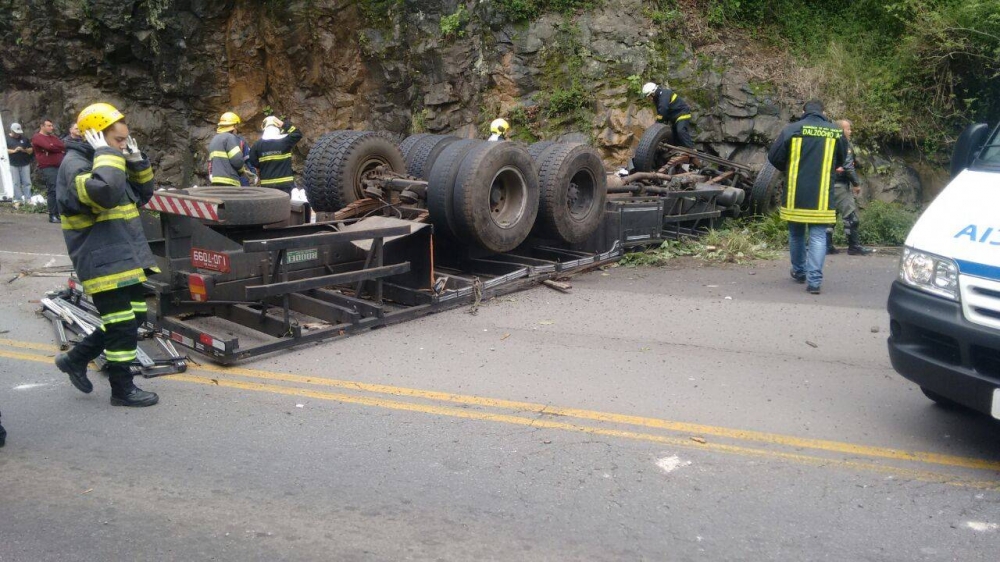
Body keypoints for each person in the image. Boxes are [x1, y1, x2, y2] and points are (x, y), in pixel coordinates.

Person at [53, 102, 160, 407]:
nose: (123, 145)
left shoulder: (107, 161)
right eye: (119, 140)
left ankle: (76, 359)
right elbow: (107, 194)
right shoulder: (77, 165)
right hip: (102, 259)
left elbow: (141, 195)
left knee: (134, 316)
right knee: (123, 323)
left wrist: (135, 160)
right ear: (96, 137)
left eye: (126, 140)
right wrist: (109, 156)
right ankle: (122, 388)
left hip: (123, 255)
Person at [767, 100, 848, 295]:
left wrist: (789, 166)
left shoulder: (791, 130)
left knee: (796, 235)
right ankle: (814, 282)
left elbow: (774, 157)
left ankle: (799, 271)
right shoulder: (835, 132)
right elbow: (842, 158)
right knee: (818, 236)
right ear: (824, 112)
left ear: (803, 111)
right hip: (822, 195)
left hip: (796, 194)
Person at [826, 119, 871, 256]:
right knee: (850, 216)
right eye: (848, 129)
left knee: (829, 215)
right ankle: (854, 246)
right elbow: (848, 166)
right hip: (840, 184)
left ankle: (826, 246)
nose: (850, 131)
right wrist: (856, 184)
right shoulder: (844, 144)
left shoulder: (828, 142)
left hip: (828, 184)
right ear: (841, 130)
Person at [248, 116, 303, 193]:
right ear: (277, 127)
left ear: (264, 127)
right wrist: (284, 124)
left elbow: (253, 161)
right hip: (285, 185)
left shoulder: (257, 145)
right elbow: (298, 134)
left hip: (267, 186)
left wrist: (263, 165)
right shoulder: (285, 141)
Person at [32, 119, 67, 222]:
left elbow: (62, 146)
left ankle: (58, 213)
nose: (51, 128)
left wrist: (53, 148)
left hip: (59, 165)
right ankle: (52, 215)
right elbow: (48, 146)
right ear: (42, 126)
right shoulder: (37, 137)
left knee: (60, 189)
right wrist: (55, 148)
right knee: (53, 189)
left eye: (52, 125)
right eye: (49, 126)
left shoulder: (53, 137)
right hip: (48, 166)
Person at [642, 81, 695, 149]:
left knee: (681, 131)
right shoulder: (657, 99)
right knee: (674, 135)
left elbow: (663, 110)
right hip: (674, 117)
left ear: (652, 93)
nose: (648, 99)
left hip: (682, 114)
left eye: (648, 96)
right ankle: (678, 150)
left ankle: (692, 150)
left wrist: (657, 125)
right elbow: (662, 113)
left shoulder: (664, 94)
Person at [207, 111, 250, 186]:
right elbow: (237, 161)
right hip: (230, 181)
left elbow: (210, 162)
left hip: (215, 180)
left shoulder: (214, 139)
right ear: (234, 126)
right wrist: (242, 171)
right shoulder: (230, 138)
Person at [6, 122, 33, 204]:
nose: (17, 134)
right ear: (12, 131)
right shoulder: (6, 139)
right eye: (16, 133)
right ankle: (18, 199)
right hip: (13, 164)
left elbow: (31, 150)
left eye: (18, 133)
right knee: (15, 182)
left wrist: (23, 150)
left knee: (27, 182)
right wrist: (14, 151)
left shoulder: (24, 139)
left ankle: (28, 199)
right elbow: (3, 150)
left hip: (25, 163)